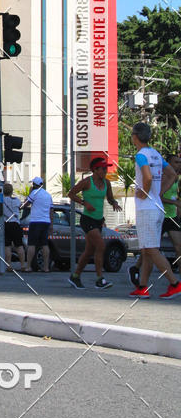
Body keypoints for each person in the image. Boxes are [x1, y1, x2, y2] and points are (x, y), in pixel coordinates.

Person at [128, 122, 181, 299]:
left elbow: (147, 177)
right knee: (146, 249)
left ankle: (175, 283)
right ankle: (143, 287)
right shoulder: (156, 154)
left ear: (135, 137)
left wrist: (144, 192)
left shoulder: (141, 155)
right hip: (156, 206)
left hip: (147, 209)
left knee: (151, 249)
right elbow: (172, 174)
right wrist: (158, 192)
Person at [68, 157, 122, 289]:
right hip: (87, 219)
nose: (105, 171)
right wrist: (84, 202)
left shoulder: (107, 183)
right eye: (103, 169)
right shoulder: (87, 182)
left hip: (98, 220)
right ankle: (99, 279)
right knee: (101, 246)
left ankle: (75, 276)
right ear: (95, 170)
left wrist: (114, 203)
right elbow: (71, 194)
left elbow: (110, 198)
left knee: (88, 252)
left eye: (106, 169)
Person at [23, 177, 53, 273]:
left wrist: (29, 193)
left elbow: (25, 205)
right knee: (44, 244)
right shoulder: (48, 195)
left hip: (36, 221)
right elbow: (51, 210)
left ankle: (28, 266)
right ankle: (46, 267)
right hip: (46, 222)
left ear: (34, 185)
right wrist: (51, 224)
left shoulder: (34, 193)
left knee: (32, 244)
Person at [2, 183, 26, 272]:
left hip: (6, 223)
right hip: (15, 224)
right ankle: (23, 265)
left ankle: (9, 265)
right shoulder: (17, 200)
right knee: (19, 245)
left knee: (7, 246)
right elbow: (20, 207)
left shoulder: (2, 200)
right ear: (12, 191)